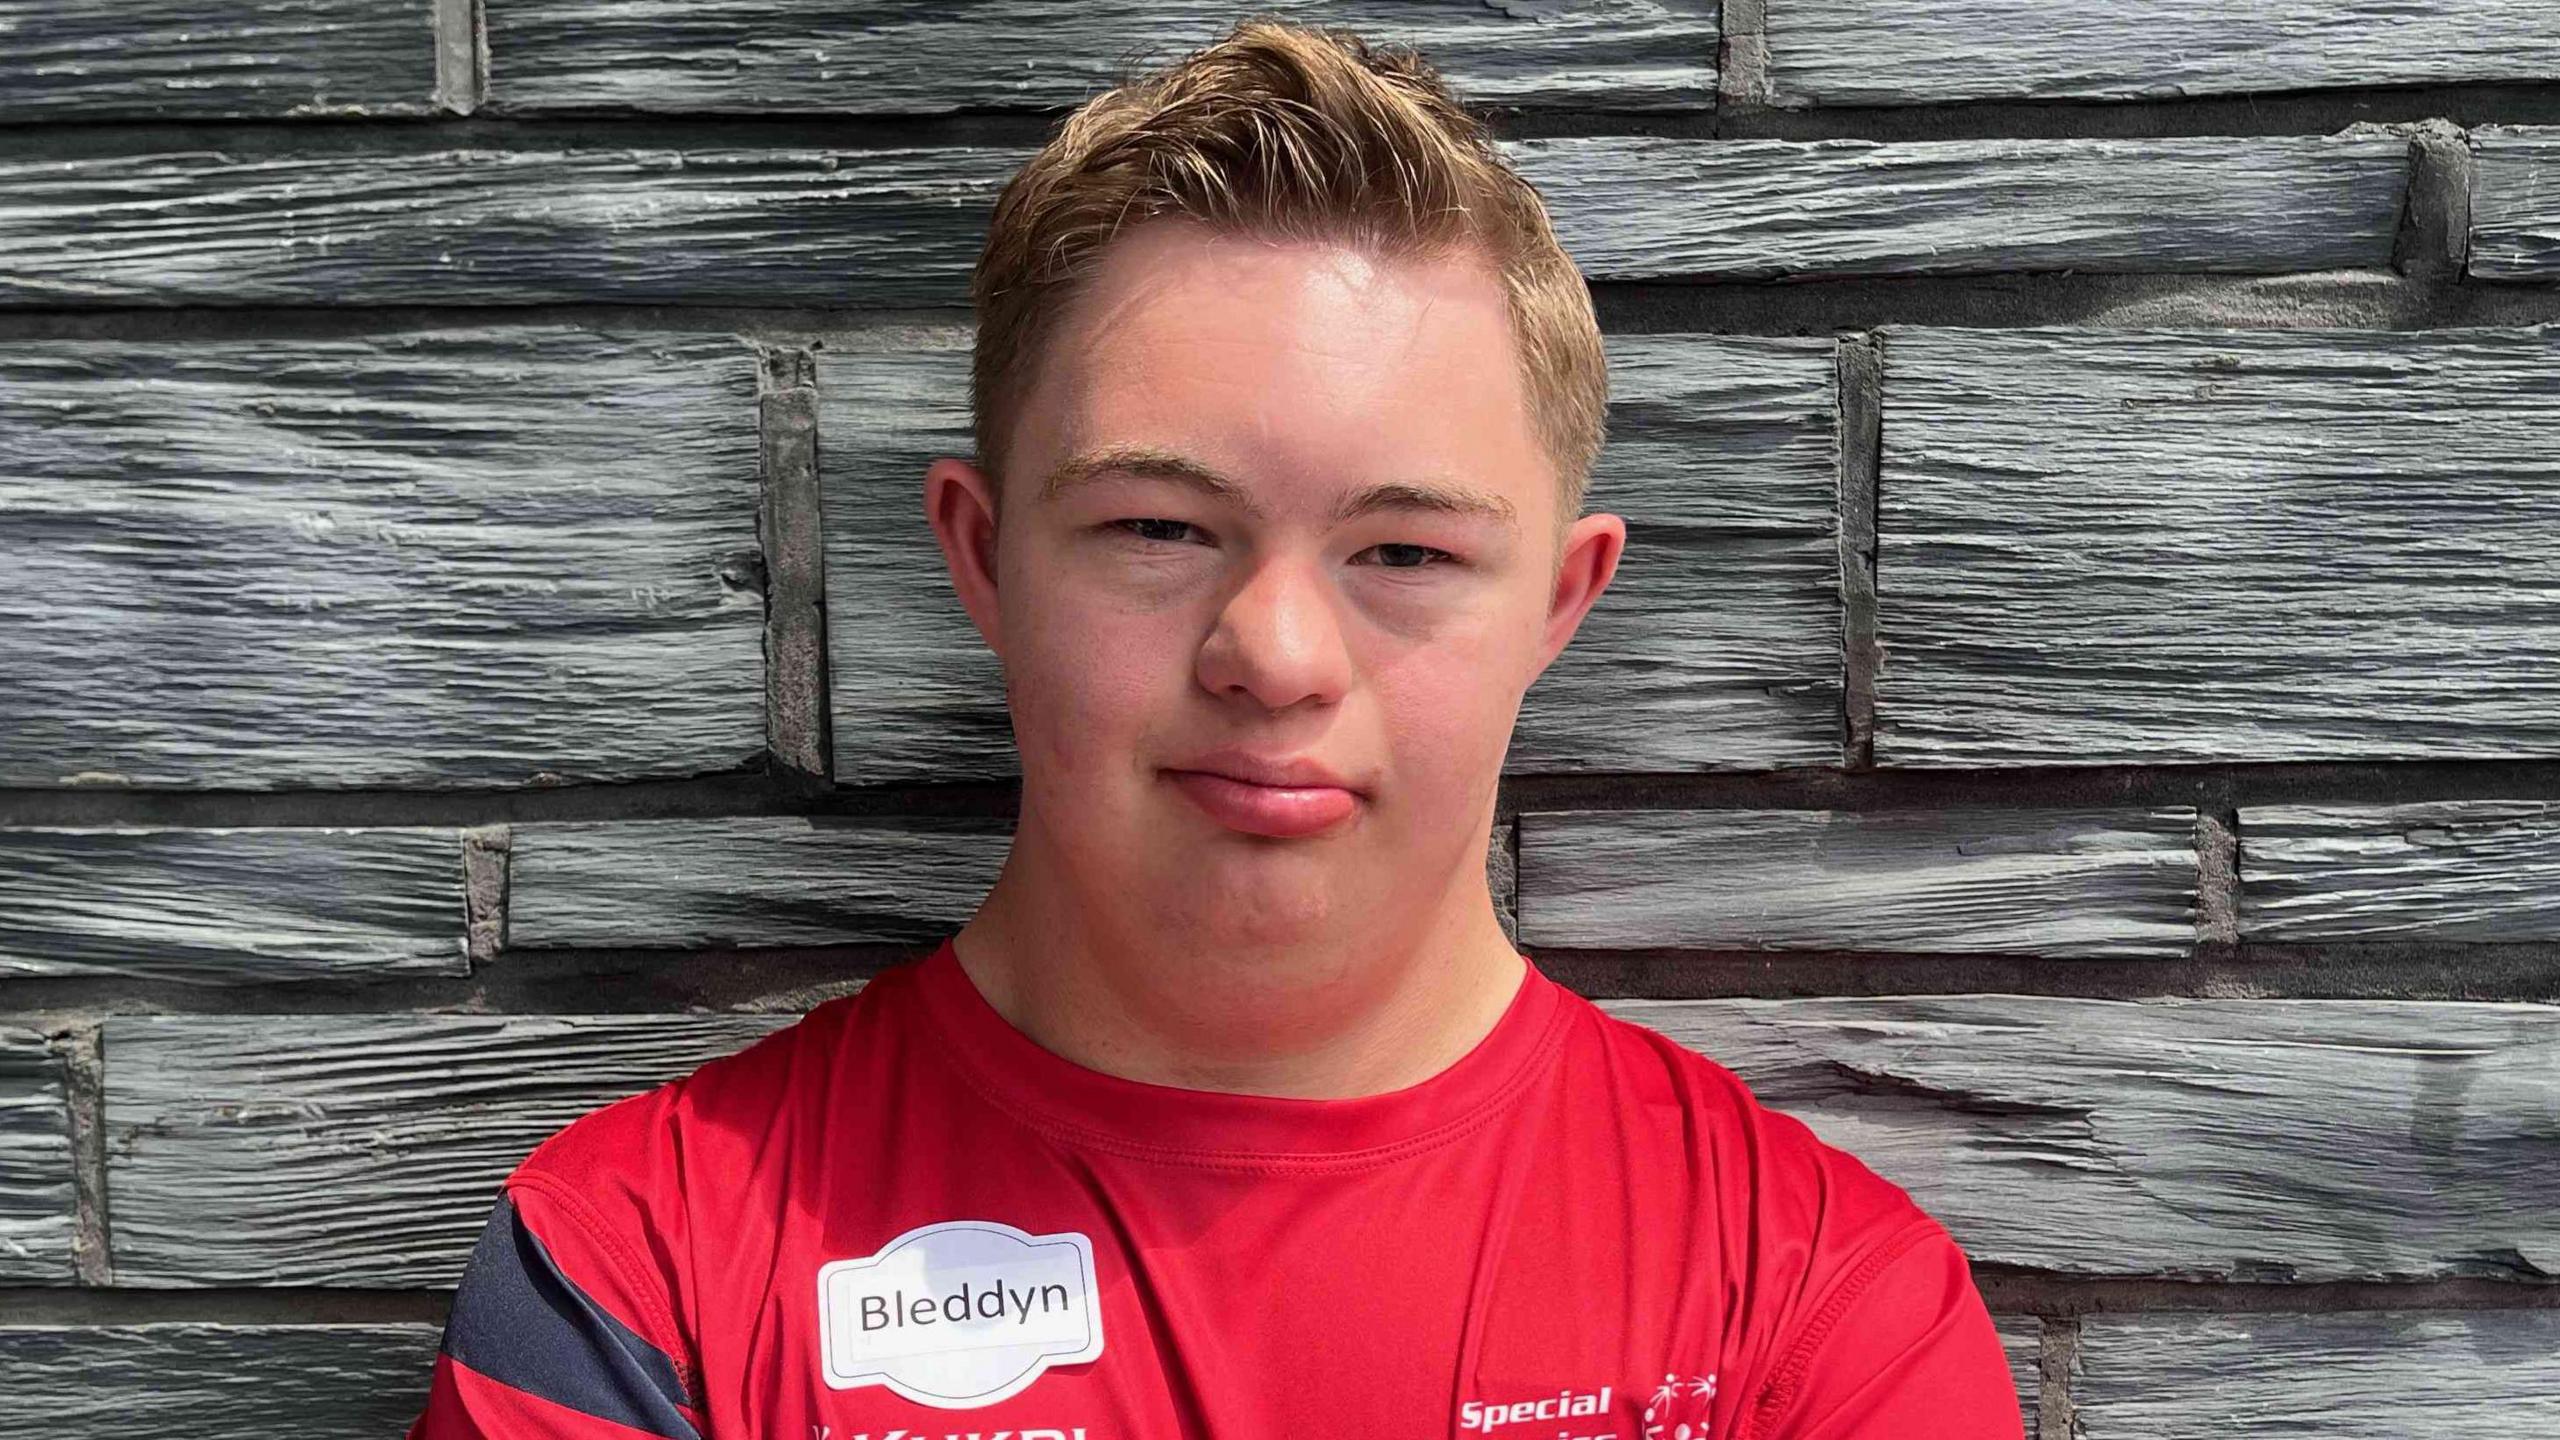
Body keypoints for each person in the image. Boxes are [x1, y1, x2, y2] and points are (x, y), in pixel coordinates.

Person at [406, 17, 2025, 1440]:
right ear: (983, 557)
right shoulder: (640, 1278)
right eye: (1159, 530)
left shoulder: (1816, 1320)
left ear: (1557, 600)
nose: (1277, 655)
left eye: (1406, 552)